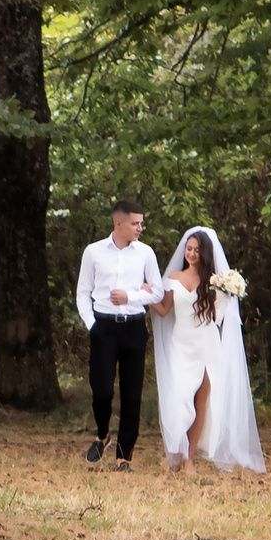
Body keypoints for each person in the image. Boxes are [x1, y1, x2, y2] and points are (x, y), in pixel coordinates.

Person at [147, 226, 266, 473]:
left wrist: (227, 295)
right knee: (181, 398)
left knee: (202, 402)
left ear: (205, 253)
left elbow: (219, 317)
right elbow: (164, 309)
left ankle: (189, 459)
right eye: (188, 249)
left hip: (207, 343)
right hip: (181, 343)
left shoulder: (215, 282)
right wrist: (147, 296)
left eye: (196, 250)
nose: (191, 254)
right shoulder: (174, 278)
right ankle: (177, 451)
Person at [72, 200, 162, 469]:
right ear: (118, 223)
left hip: (134, 327)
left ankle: (124, 456)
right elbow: (83, 292)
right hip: (104, 327)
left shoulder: (145, 253)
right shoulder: (94, 252)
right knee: (101, 390)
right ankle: (102, 435)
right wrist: (92, 324)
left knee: (132, 394)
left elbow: (157, 292)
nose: (140, 228)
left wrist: (130, 296)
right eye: (135, 223)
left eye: (141, 223)